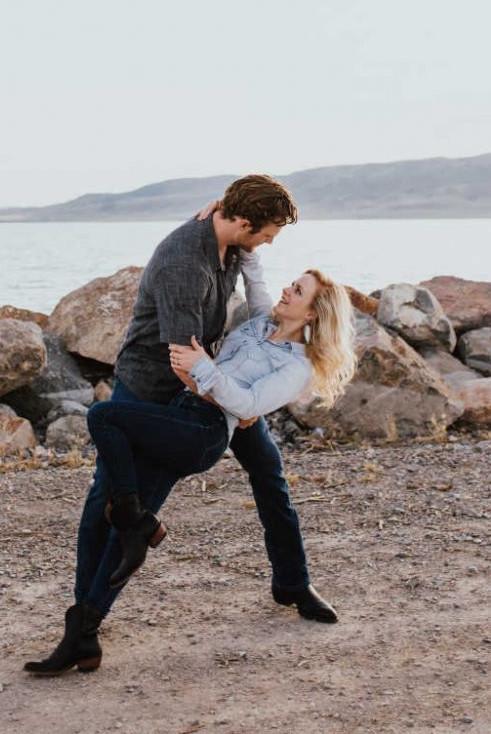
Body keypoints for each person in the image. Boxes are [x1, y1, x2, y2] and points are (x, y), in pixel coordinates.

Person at [24, 175, 345, 677]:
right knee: (109, 504)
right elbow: (182, 359)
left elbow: (253, 266)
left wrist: (234, 402)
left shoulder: (237, 252)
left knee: (270, 477)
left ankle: (292, 582)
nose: (270, 243)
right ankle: (85, 621)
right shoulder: (189, 267)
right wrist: (220, 397)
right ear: (242, 223)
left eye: (297, 288)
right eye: (267, 232)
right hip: (170, 392)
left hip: (211, 400)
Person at [85, 253, 355, 593]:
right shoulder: (262, 321)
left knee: (272, 484)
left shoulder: (296, 365)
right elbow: (254, 278)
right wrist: (232, 217)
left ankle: (295, 585)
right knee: (270, 477)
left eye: (298, 291)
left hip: (220, 412)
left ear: (312, 313)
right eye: (292, 283)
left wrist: (201, 368)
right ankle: (124, 545)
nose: (287, 290)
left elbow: (248, 405)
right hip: (208, 404)